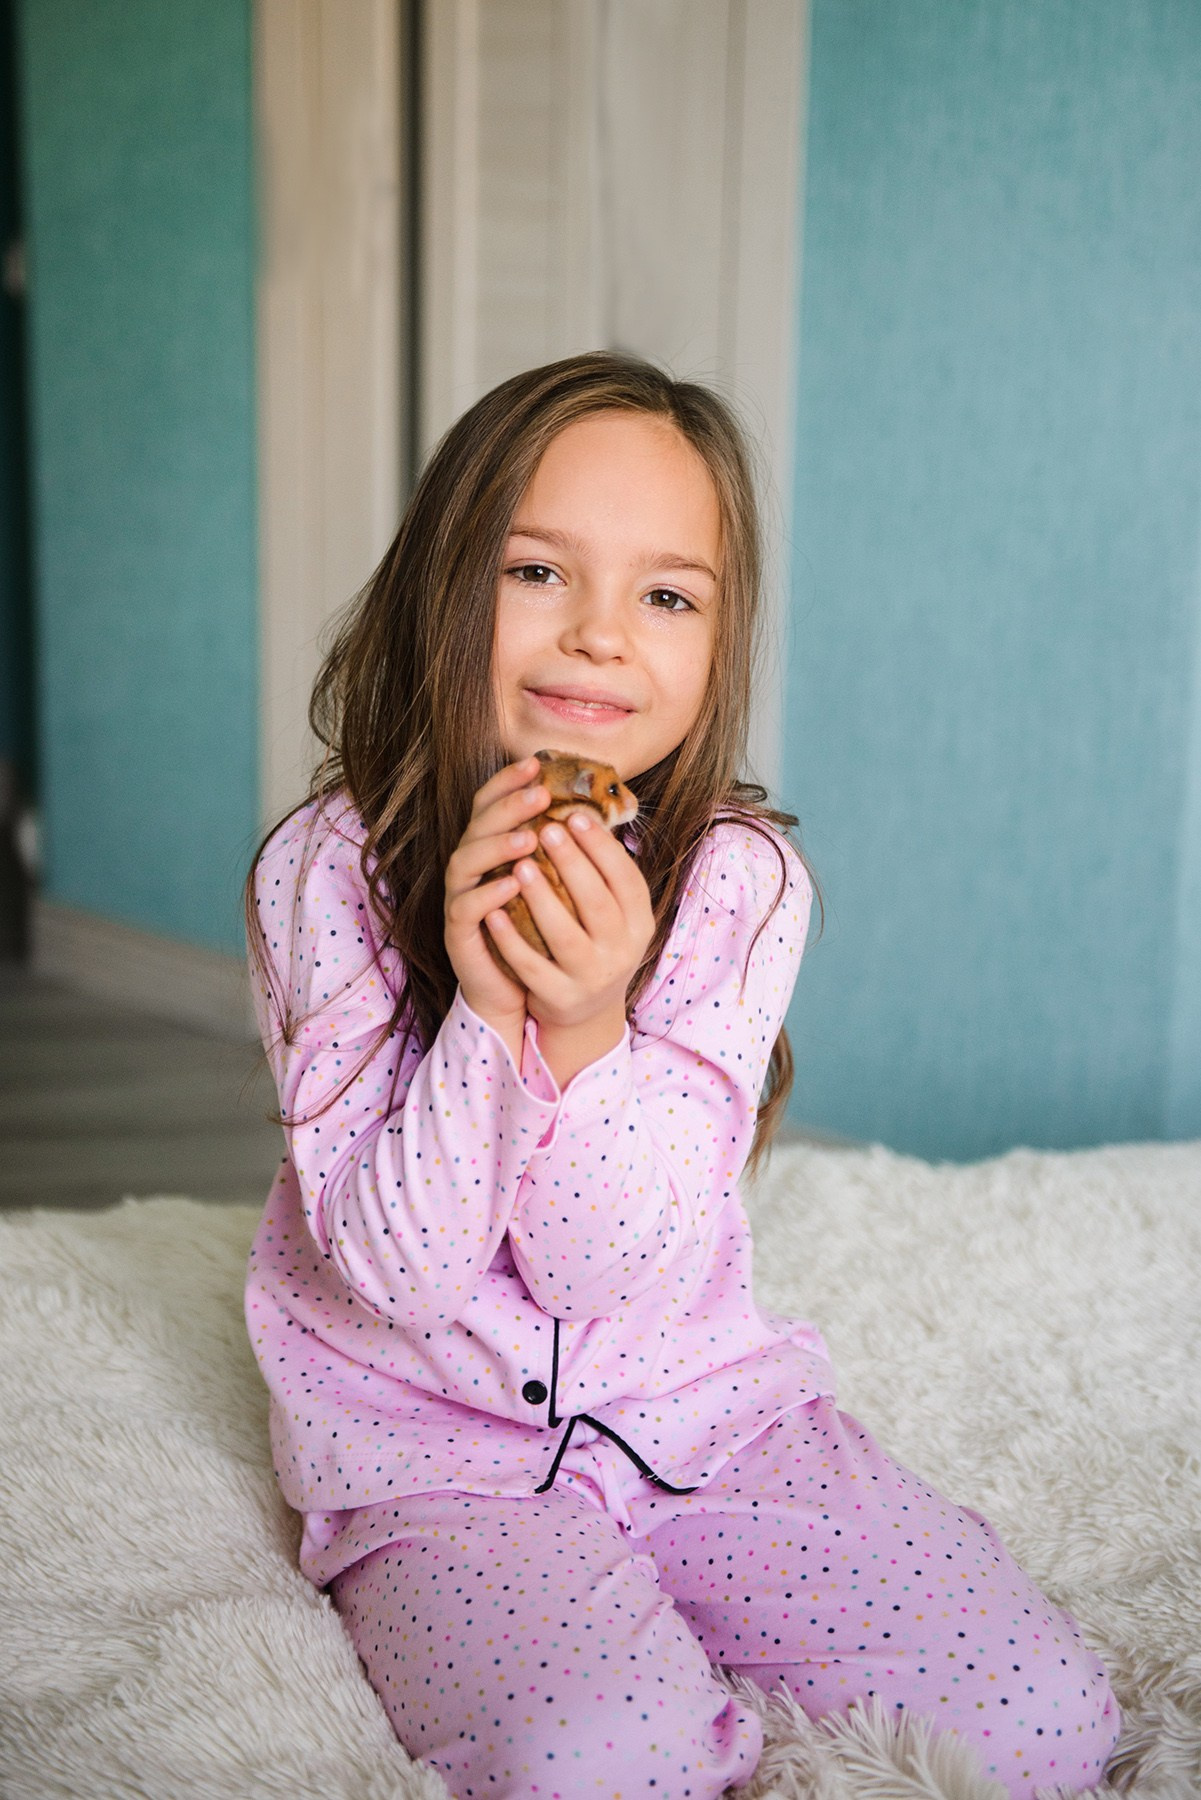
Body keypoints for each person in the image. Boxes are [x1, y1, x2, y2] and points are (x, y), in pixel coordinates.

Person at [242, 352, 1119, 1799]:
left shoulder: (736, 881)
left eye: (666, 595)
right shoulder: (324, 873)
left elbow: (611, 1272)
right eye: (537, 571)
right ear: (440, 588)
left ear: (718, 645)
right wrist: (490, 1004)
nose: (599, 637)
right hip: (431, 1464)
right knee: (603, 1759)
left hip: (701, 1421)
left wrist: (586, 1018)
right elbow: (395, 1277)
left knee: (1038, 1719)